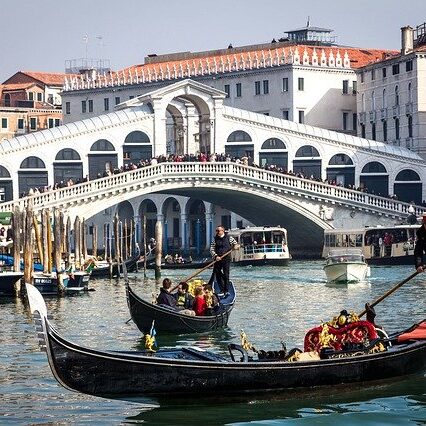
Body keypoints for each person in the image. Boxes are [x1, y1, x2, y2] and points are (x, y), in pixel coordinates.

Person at [210, 225, 239, 295]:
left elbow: (236, 245)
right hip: (217, 259)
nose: (217, 232)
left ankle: (226, 290)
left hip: (226, 259)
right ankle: (222, 289)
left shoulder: (229, 238)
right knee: (217, 274)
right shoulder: (215, 239)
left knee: (226, 274)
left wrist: (236, 246)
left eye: (218, 231)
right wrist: (216, 256)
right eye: (216, 231)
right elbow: (211, 249)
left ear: (222, 231)